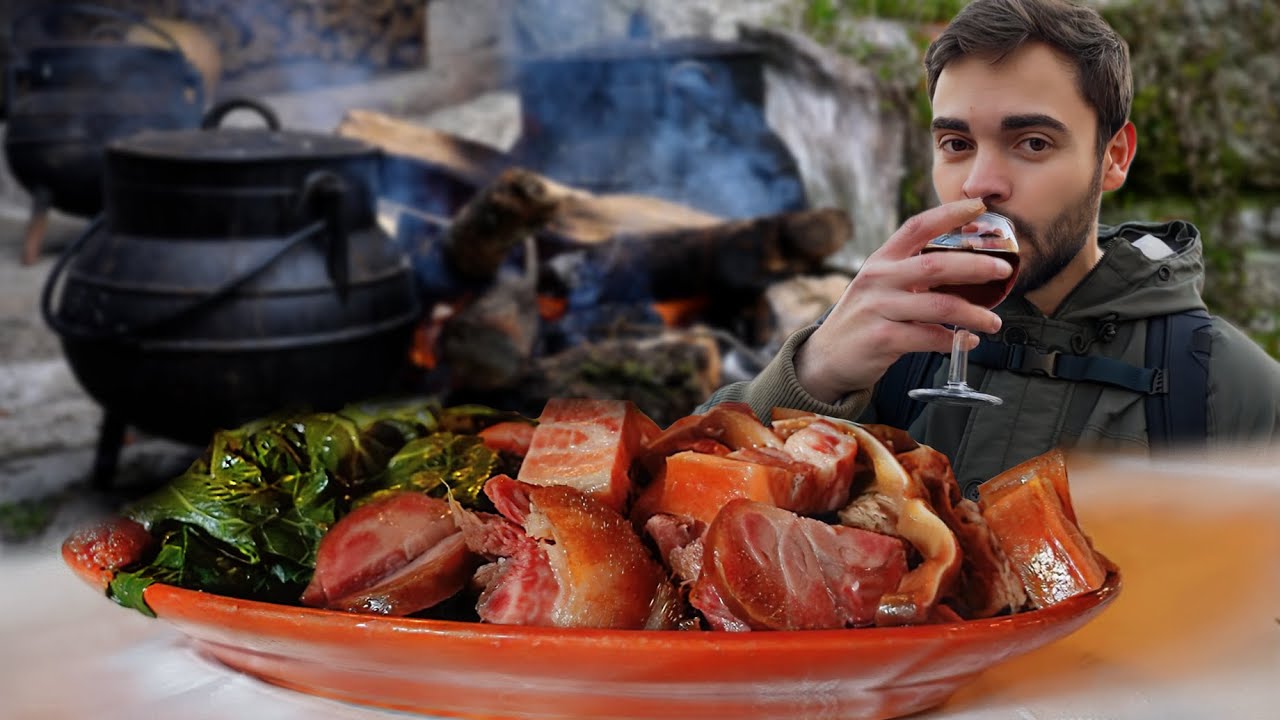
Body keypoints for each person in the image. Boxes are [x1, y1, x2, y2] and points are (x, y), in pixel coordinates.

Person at [703, 0, 1280, 496]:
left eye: (1032, 143)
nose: (980, 184)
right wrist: (810, 376)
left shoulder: (1223, 384)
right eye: (957, 143)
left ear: (1114, 158)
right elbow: (687, 502)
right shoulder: (879, 339)